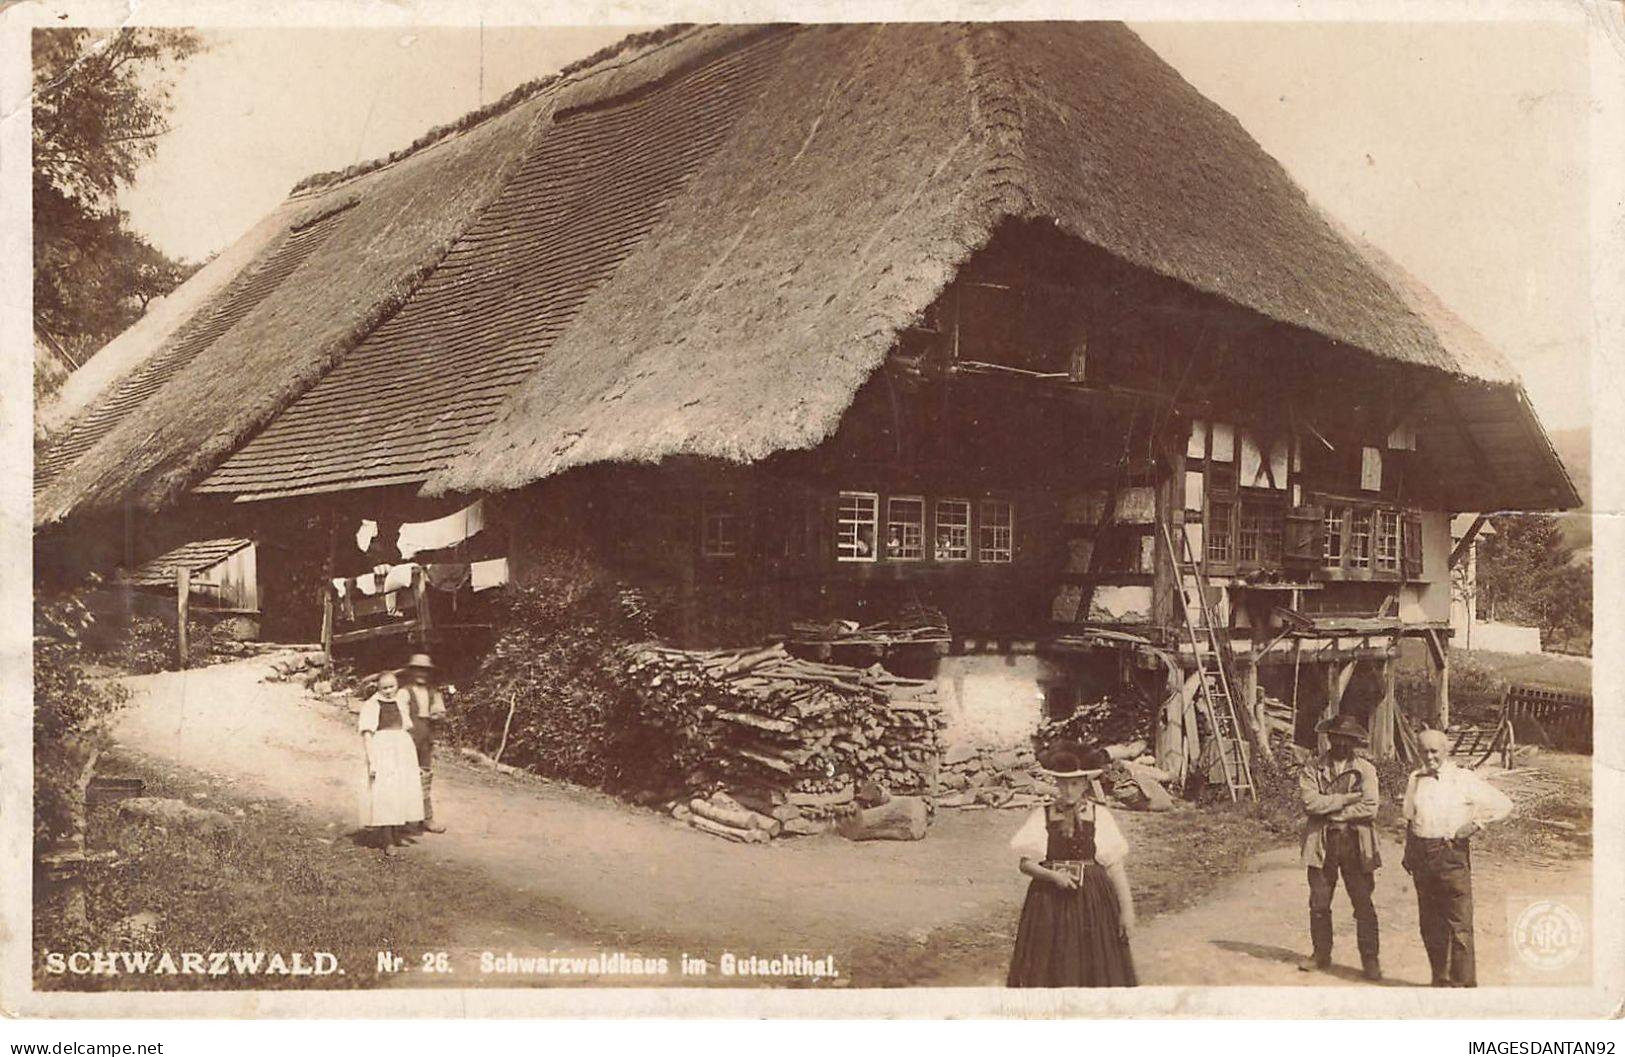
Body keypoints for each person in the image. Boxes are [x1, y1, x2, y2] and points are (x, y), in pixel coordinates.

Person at [1007, 740, 1137, 987]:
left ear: (1085, 784)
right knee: (1050, 963)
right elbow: (1025, 864)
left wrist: (1127, 912)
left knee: (1093, 962)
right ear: (1055, 783)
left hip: (1093, 901)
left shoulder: (1100, 815)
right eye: (1063, 783)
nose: (1068, 790)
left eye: (1075, 784)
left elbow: (1115, 867)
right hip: (1048, 901)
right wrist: (1053, 876)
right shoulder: (1042, 815)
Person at [1402, 728, 1513, 987]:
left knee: (1459, 923)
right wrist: (1409, 852)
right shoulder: (1415, 778)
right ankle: (1440, 979)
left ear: (1446, 751)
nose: (1429, 757)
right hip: (1421, 854)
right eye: (1423, 751)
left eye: (1434, 751)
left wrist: (1474, 825)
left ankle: (1462, 984)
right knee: (1430, 921)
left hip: (1450, 853)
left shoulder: (1462, 778)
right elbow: (1410, 817)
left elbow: (1503, 804)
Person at [1298, 712, 1383, 980]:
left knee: (1363, 903)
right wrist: (1347, 798)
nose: (1341, 744)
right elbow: (1310, 803)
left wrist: (1337, 812)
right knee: (1319, 902)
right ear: (1329, 738)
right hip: (1322, 843)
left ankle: (1370, 960)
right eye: (1336, 738)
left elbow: (1370, 807)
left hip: (1356, 843)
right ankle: (1321, 954)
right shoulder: (1313, 768)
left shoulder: (1366, 770)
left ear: (1355, 742)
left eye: (1347, 739)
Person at [357, 672, 424, 856]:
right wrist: (372, 761)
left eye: (391, 687)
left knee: (400, 791)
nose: (388, 691)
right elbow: (367, 734)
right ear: (378, 688)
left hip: (401, 751)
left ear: (397, 686)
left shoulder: (400, 702)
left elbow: (405, 727)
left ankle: (396, 832)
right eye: (384, 688)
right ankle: (386, 838)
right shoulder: (372, 705)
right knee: (385, 792)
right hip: (383, 751)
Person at [400, 652, 448, 833]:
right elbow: (400, 715)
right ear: (411, 671)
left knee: (425, 777)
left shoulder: (432, 692)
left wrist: (438, 714)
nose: (421, 674)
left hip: (425, 738)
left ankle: (426, 818)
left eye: (425, 671)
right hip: (407, 738)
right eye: (417, 670)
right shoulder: (404, 692)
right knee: (405, 776)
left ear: (429, 673)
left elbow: (439, 712)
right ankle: (402, 817)